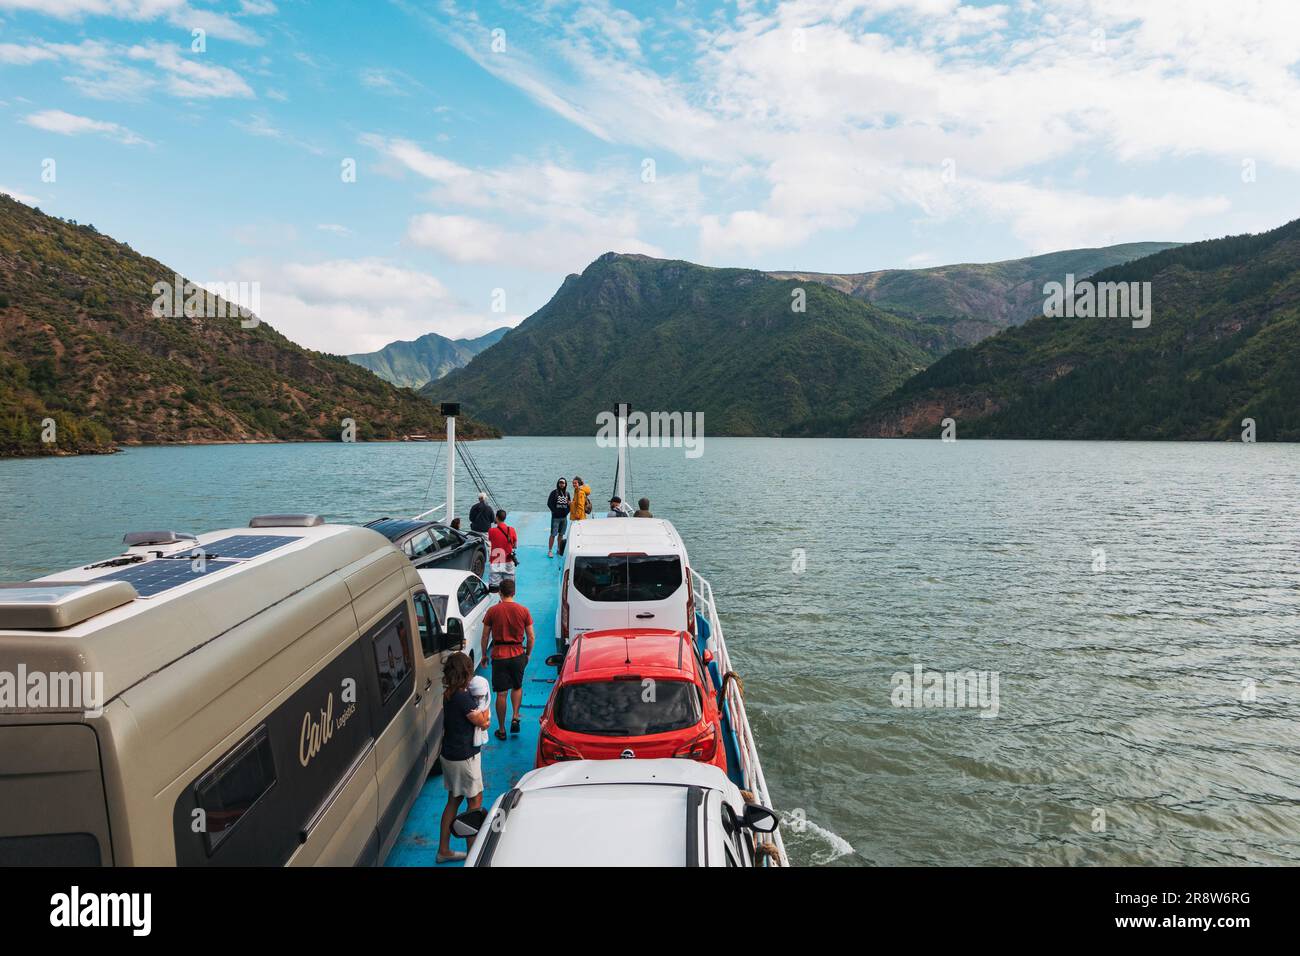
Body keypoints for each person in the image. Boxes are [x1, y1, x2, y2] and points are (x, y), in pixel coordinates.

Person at [437, 652, 490, 863]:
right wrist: (485, 707)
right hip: (464, 758)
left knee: (453, 800)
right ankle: (473, 856)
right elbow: (483, 722)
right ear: (466, 672)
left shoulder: (449, 693)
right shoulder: (463, 697)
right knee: (475, 803)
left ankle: (444, 850)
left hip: (450, 755)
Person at [480, 577, 534, 739]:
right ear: (514, 593)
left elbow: (484, 636)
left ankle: (502, 730)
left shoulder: (493, 611)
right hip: (518, 654)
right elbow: (531, 637)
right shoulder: (524, 610)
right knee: (517, 687)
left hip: (499, 655)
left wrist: (484, 654)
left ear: (500, 593)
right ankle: (515, 717)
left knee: (501, 694)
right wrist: (528, 654)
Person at [486, 510, 517, 592]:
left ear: (496, 517)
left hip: (496, 562)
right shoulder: (511, 530)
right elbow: (515, 545)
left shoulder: (491, 531)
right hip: (508, 561)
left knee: (494, 589)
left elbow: (490, 540)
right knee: (509, 588)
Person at [546, 477, 570, 558]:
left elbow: (569, 504)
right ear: (558, 483)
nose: (561, 484)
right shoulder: (554, 493)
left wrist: (567, 511)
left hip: (564, 518)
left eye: (563, 483)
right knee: (553, 534)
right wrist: (554, 511)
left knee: (561, 534)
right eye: (560, 482)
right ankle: (550, 551)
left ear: (565, 484)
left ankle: (559, 549)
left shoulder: (567, 494)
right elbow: (549, 503)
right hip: (556, 518)